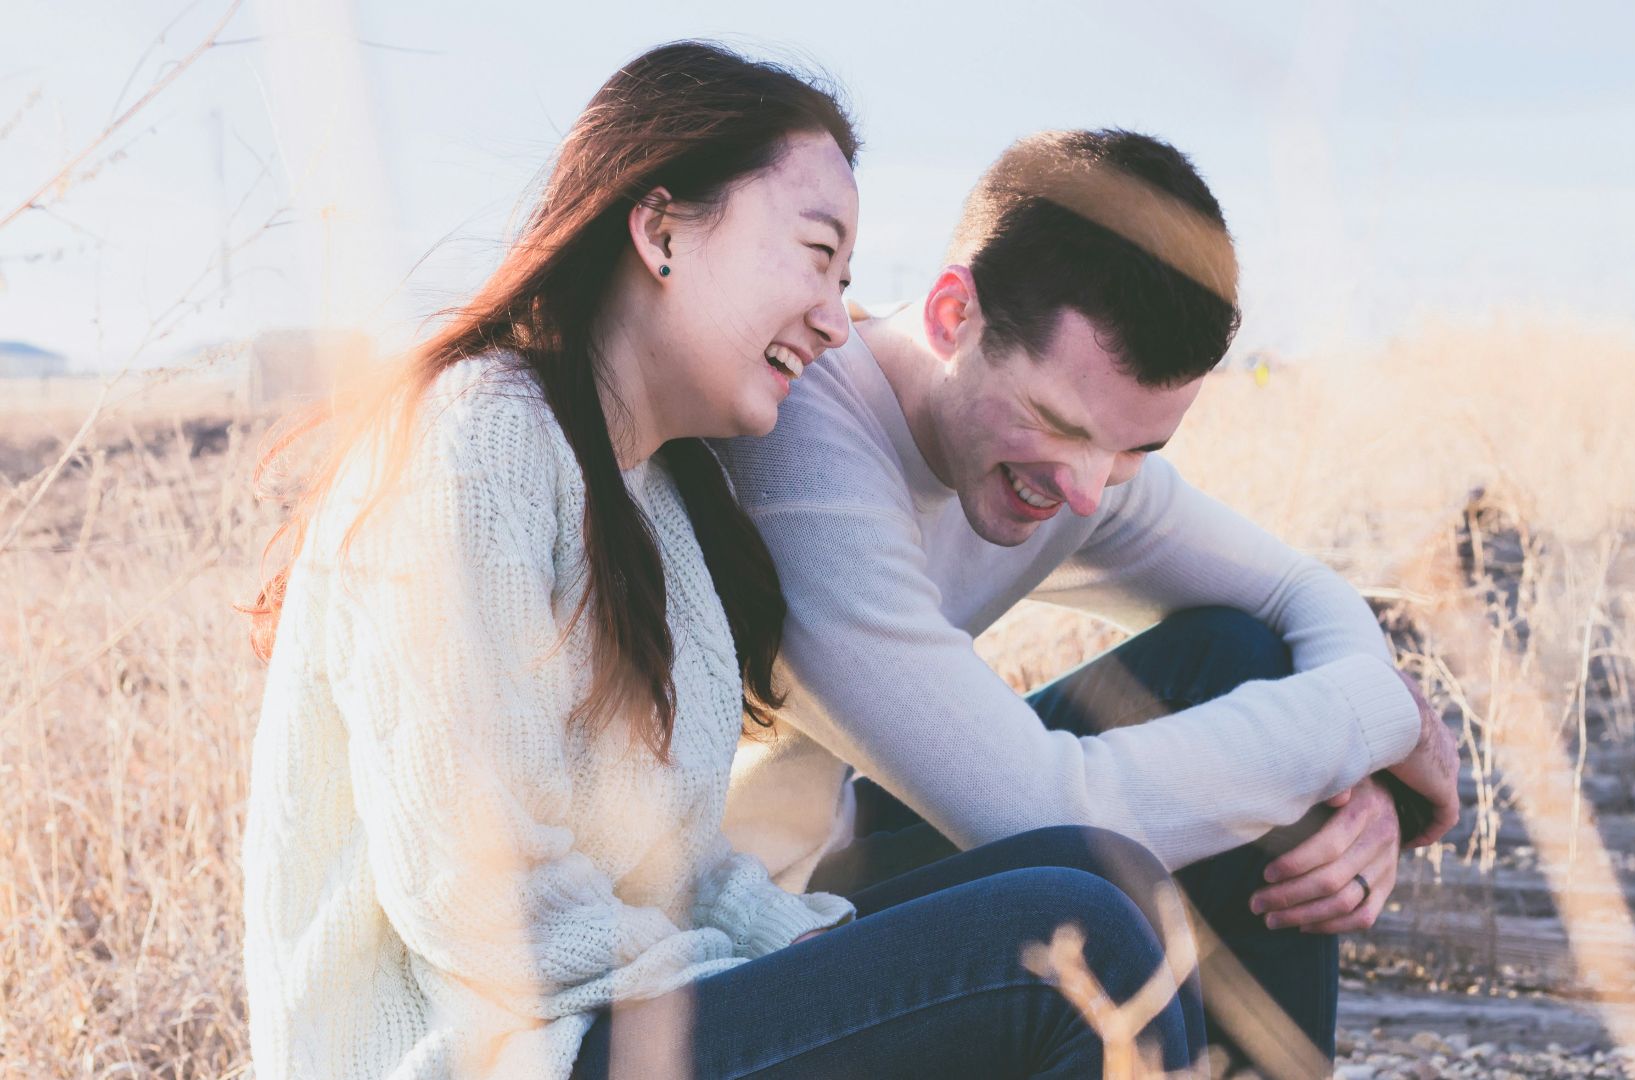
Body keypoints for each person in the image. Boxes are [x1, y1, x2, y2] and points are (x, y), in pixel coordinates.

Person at [241, 46, 1200, 1080]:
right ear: (660, 230)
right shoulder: (475, 441)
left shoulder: (655, 493)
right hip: (495, 1052)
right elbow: (476, 896)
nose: (837, 321)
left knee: (1102, 872)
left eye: (845, 280)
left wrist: (799, 947)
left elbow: (672, 868)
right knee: (1067, 940)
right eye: (815, 254)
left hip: (614, 1018)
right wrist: (741, 981)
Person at [713, 128, 1463, 1071]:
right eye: (1060, 425)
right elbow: (1038, 811)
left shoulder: (1082, 460)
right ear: (953, 315)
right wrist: (1375, 718)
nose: (1086, 488)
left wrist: (1355, 788)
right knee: (1106, 884)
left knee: (1238, 658)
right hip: (735, 937)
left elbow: (1297, 591)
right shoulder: (805, 446)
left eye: (1136, 450)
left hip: (835, 852)